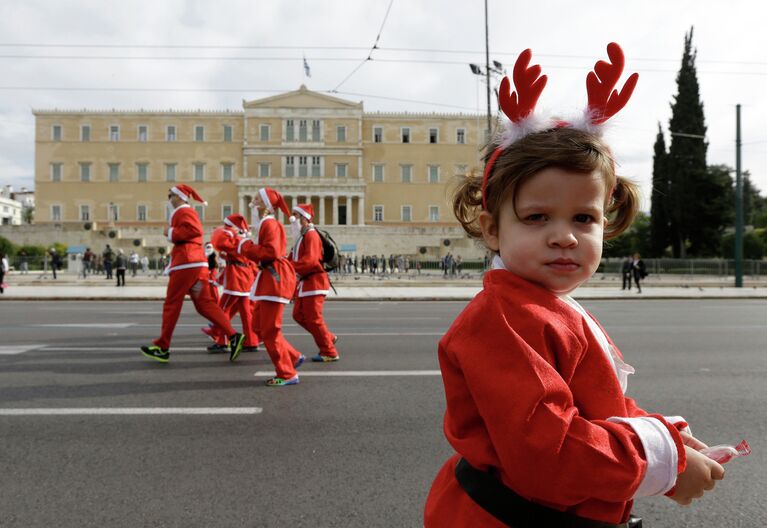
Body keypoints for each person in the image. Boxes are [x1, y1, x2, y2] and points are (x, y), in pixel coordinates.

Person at [424, 44, 725, 528]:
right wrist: (661, 464)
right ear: (492, 229)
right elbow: (551, 455)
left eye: (583, 218)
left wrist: (668, 440)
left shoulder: (541, 305)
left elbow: (596, 405)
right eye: (537, 216)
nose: (564, 235)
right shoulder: (503, 319)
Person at [140, 184, 244, 363]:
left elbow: (195, 231)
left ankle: (163, 347)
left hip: (186, 264)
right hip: (195, 265)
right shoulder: (183, 212)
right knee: (204, 304)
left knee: (172, 304)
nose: (169, 199)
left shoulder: (183, 211)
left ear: (180, 197)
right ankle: (233, 336)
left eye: (171, 195)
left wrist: (170, 232)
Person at [236, 187, 303, 386]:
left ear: (266, 204)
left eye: (257, 198)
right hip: (269, 278)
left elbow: (271, 251)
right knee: (258, 325)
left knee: (270, 331)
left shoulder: (270, 223)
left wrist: (245, 246)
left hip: (275, 278)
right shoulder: (266, 224)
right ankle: (292, 356)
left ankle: (287, 373)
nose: (253, 201)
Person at [289, 204, 339, 362]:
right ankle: (328, 337)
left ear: (305, 218)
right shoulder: (301, 237)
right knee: (298, 315)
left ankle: (329, 351)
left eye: (296, 216)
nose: (292, 219)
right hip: (306, 283)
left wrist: (289, 267)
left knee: (313, 319)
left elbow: (310, 261)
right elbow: (292, 258)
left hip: (315, 282)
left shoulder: (311, 235)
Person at [205, 215, 260, 354]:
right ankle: (251, 342)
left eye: (227, 225)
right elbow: (232, 253)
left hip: (237, 278)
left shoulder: (236, 239)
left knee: (221, 311)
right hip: (244, 277)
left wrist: (228, 233)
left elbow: (224, 244)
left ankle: (222, 340)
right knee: (246, 313)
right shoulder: (243, 239)